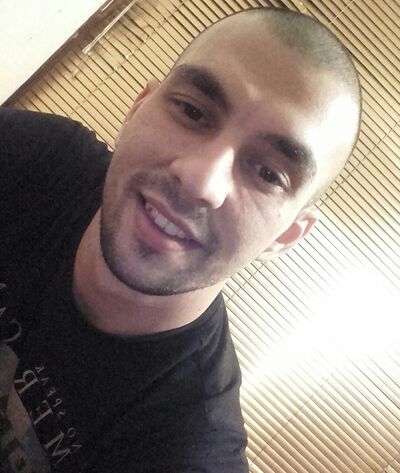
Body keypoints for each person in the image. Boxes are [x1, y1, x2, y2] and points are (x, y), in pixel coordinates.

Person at [0, 6, 361, 473]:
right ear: (137, 108)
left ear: (286, 234)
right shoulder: (39, 158)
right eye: (193, 112)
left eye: (268, 173)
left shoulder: (189, 451)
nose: (200, 181)